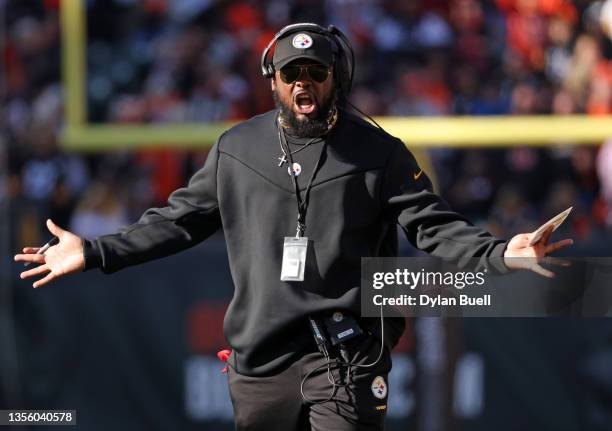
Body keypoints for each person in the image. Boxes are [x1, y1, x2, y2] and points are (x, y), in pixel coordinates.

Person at [14, 23, 573, 431]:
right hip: (260, 364)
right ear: (273, 81)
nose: (303, 83)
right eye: (291, 73)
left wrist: (504, 253)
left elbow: (434, 228)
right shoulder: (237, 149)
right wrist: (94, 250)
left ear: (336, 78)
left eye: (315, 72)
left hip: (344, 359)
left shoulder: (377, 152)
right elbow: (177, 223)